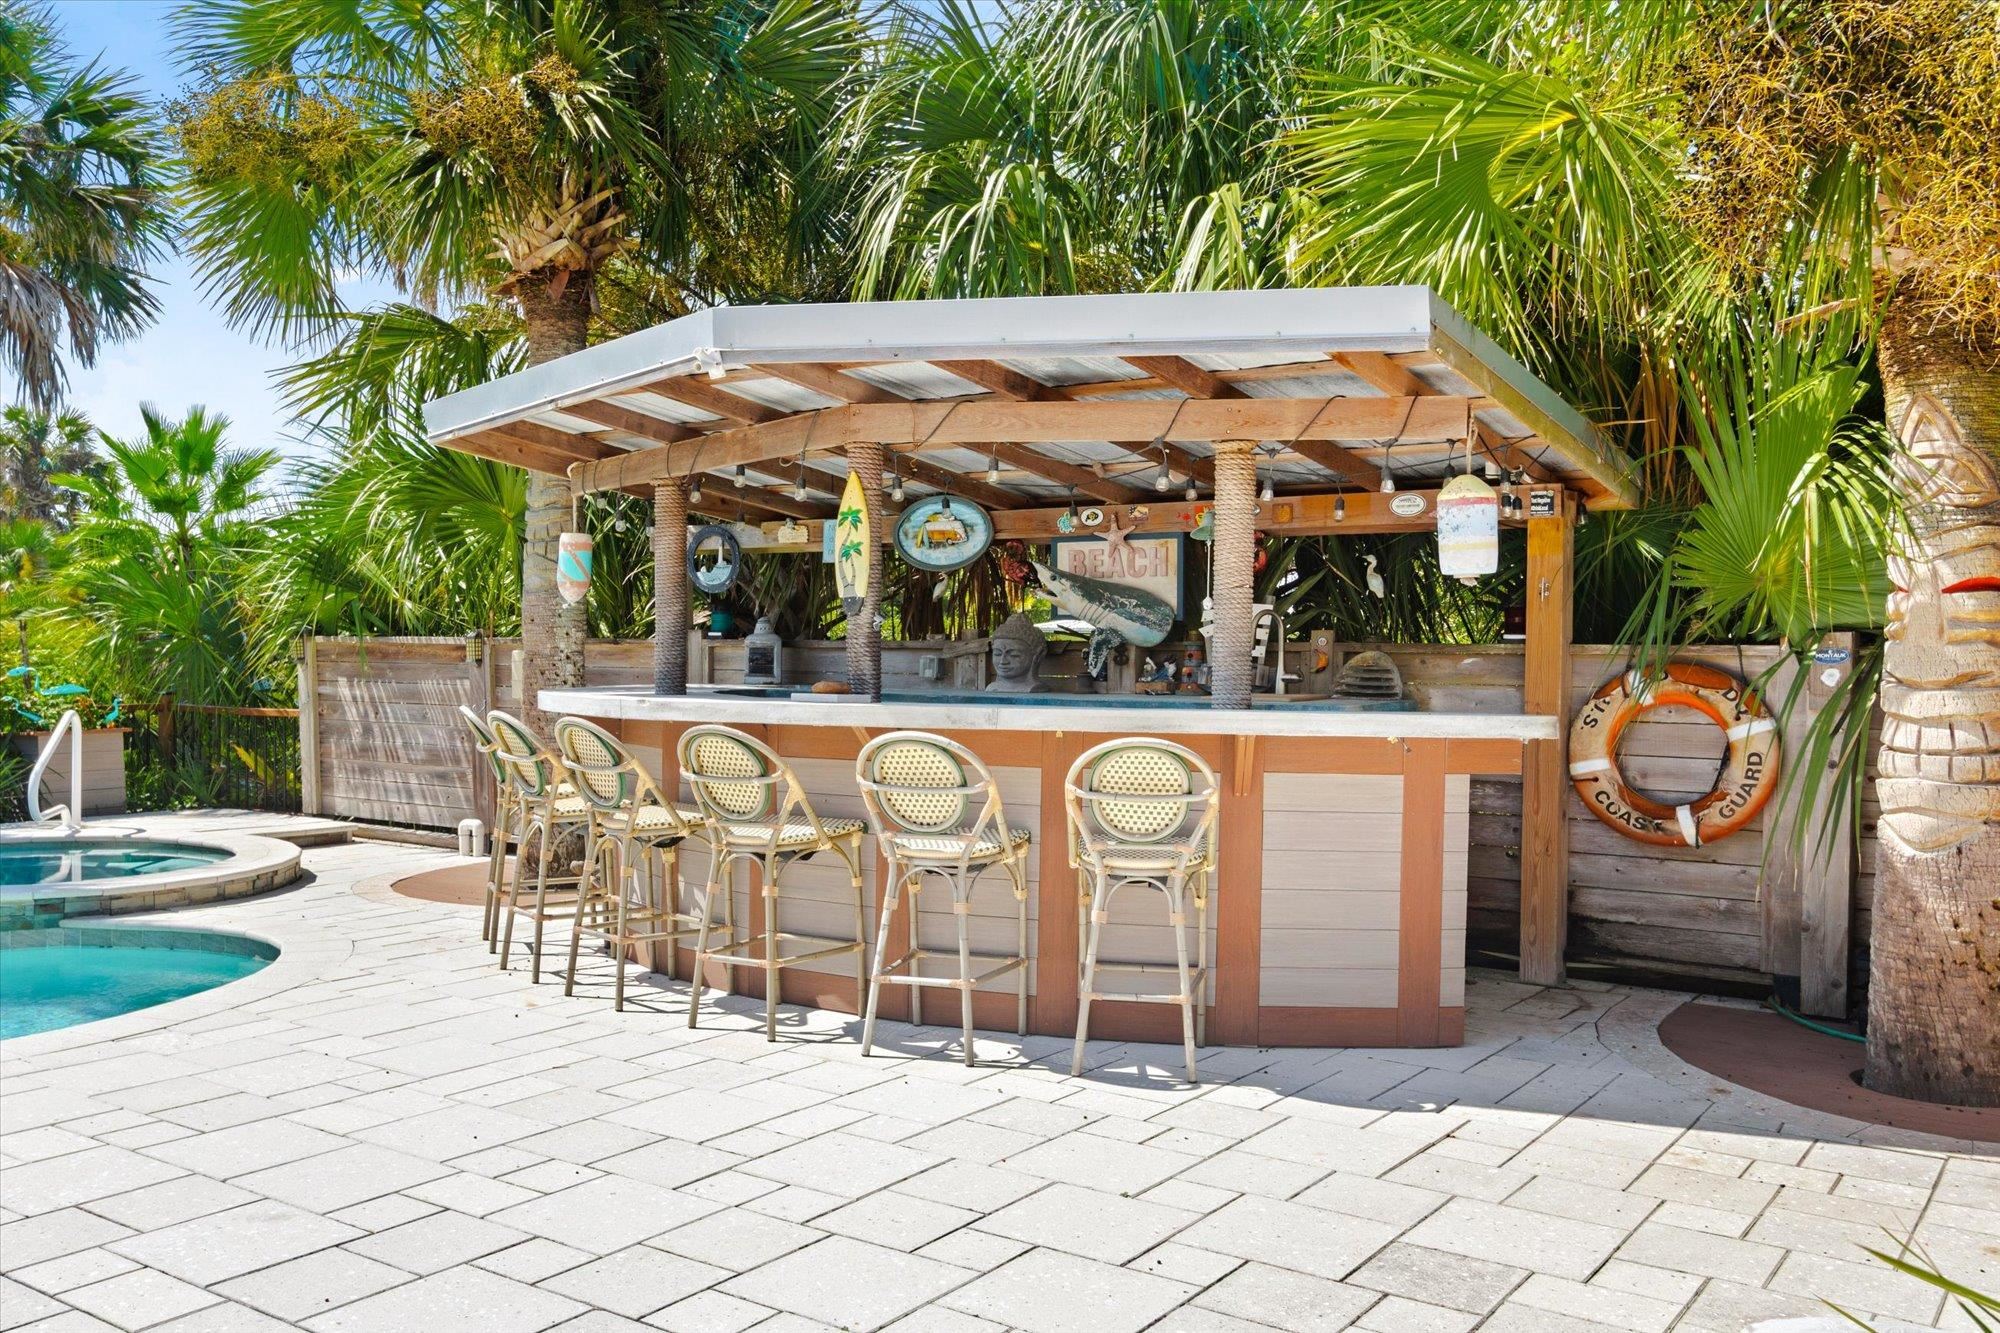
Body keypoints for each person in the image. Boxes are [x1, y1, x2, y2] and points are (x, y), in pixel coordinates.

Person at [985, 612, 1049, 693]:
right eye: (997, 654)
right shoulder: (992, 688)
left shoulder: (1034, 688)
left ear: (1037, 655)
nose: (1003, 661)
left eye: (1014, 655)